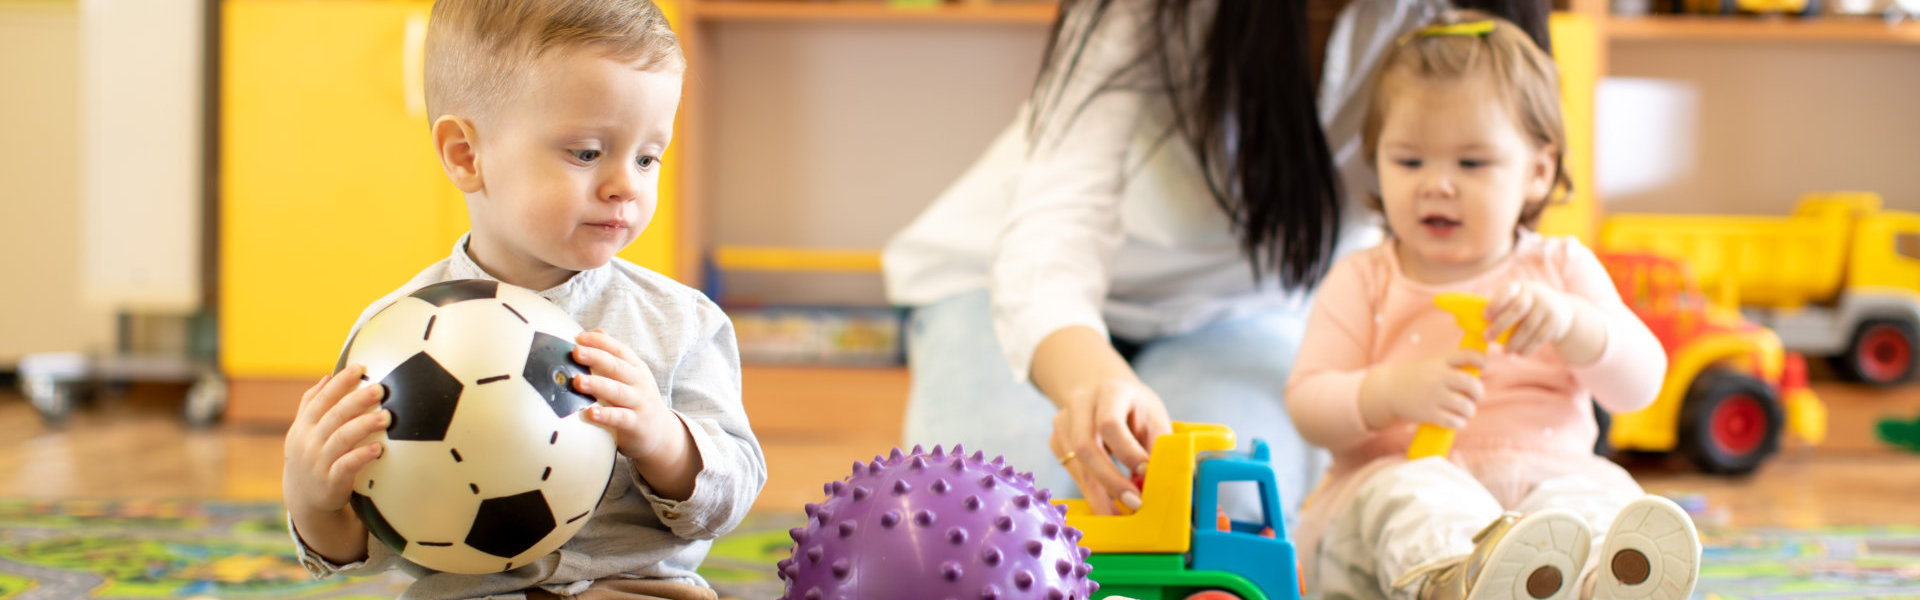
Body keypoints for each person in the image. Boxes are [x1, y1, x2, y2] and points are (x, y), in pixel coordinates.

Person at [882, 0, 1546, 523]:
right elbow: (1053, 226)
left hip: (1242, 311)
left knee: (1221, 523)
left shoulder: (1460, 25)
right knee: (982, 526)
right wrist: (1092, 376)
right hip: (1004, 288)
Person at [279, 2, 765, 598]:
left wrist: (663, 439)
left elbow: (731, 498)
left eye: (647, 157)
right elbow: (366, 551)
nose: (626, 186)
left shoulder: (681, 324)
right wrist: (312, 500)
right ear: (466, 155)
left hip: (636, 590)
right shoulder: (390, 340)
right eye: (587, 153)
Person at [1284, 11, 1700, 600]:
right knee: (1419, 498)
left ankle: (1598, 584)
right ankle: (1460, 581)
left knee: (1598, 501)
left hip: (1549, 480)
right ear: (1374, 160)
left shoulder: (1561, 268)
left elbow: (1641, 385)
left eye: (1471, 163)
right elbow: (1306, 404)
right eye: (1408, 161)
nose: (1437, 184)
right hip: (1400, 492)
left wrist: (1576, 326)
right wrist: (1387, 393)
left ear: (1537, 171)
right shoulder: (1364, 278)